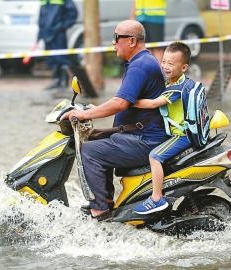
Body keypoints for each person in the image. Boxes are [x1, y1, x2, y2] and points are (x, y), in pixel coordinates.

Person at [62, 20, 168, 220]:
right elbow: (123, 100)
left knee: (89, 151)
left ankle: (100, 211)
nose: (113, 43)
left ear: (131, 41)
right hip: (136, 133)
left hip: (144, 140)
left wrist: (84, 114)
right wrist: (94, 109)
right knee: (93, 139)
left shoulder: (140, 66)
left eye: (116, 38)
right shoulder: (140, 62)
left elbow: (120, 103)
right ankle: (107, 201)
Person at [133, 42, 196, 214]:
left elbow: (154, 103)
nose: (165, 66)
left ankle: (156, 198)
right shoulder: (184, 82)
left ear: (184, 67)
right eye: (164, 62)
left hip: (182, 135)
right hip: (186, 132)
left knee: (154, 156)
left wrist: (129, 101)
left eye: (171, 64)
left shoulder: (176, 89)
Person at [37, 0, 78, 90]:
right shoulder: (44, 1)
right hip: (46, 34)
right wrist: (39, 35)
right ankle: (56, 81)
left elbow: (73, 13)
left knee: (61, 58)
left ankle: (64, 81)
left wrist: (62, 26)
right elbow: (41, 17)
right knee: (51, 59)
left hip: (58, 33)